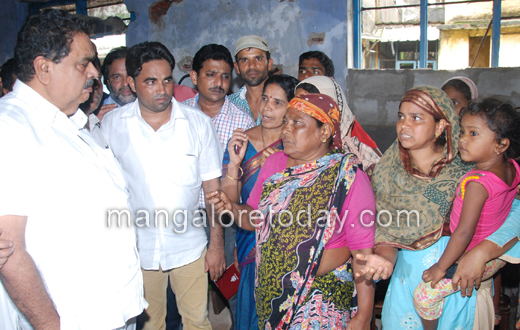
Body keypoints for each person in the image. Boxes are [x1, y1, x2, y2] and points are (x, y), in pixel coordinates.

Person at [0, 9, 146, 329]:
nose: (95, 72)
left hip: (110, 310)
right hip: (73, 319)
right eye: (84, 63)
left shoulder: (70, 124)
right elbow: (9, 253)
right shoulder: (11, 128)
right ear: (44, 68)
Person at [355, 86, 520, 329]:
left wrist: (481, 253)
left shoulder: (470, 168)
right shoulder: (385, 175)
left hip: (461, 281)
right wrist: (384, 260)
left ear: (441, 125)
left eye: (416, 118)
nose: (404, 125)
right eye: (401, 116)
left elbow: (511, 212)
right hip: (407, 283)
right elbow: (389, 233)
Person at [208, 93, 375, 329]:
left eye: (297, 123)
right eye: (286, 121)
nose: (286, 129)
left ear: (324, 132)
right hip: (273, 295)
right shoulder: (274, 164)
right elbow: (255, 218)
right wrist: (232, 209)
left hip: (322, 299)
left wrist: (364, 316)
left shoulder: (347, 177)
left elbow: (363, 254)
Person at [101, 41, 225, 330]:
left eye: (167, 80)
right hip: (138, 250)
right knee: (149, 324)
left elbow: (213, 191)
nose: (162, 89)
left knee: (197, 321)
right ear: (132, 82)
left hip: (190, 247)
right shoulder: (113, 126)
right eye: (150, 81)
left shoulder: (197, 124)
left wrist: (216, 245)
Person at [413, 98, 520, 329]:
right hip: (500, 255)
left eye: (473, 134)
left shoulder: (477, 183)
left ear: (500, 145)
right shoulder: (513, 167)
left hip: (474, 256)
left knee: (423, 297)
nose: (462, 139)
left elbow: (463, 233)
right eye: (462, 131)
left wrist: (441, 267)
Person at [182, 43, 255, 327]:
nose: (218, 83)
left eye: (225, 76)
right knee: (186, 293)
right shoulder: (179, 116)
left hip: (224, 220)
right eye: (211, 74)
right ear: (194, 76)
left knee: (232, 288)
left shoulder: (241, 121)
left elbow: (245, 179)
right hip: (183, 218)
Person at [221, 74, 299, 330]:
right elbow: (230, 203)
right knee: (249, 305)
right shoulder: (241, 141)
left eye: (277, 102)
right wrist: (233, 164)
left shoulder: (298, 149)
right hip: (247, 234)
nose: (266, 108)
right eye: (265, 98)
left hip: (286, 239)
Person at [297, 51, 380, 155]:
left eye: (315, 72)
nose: (306, 76)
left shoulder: (343, 121)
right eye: (302, 71)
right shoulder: (292, 114)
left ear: (330, 80)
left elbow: (375, 157)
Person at [295, 76, 380, 174]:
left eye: (310, 107)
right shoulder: (289, 150)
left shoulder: (360, 155)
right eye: (297, 104)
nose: (299, 113)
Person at [229, 35, 273, 125]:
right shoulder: (229, 105)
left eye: (258, 59)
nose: (252, 66)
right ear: (237, 67)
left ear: (269, 64)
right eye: (244, 60)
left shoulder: (286, 101)